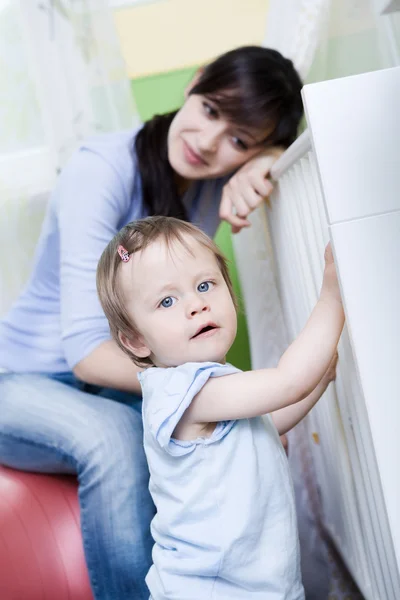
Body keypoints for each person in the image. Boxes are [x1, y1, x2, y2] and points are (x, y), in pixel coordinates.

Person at [0, 46, 303, 599]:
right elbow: (88, 352)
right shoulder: (101, 169)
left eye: (239, 140)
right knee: (117, 438)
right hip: (21, 382)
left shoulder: (211, 184)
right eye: (211, 110)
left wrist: (269, 158)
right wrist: (207, 393)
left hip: (105, 384)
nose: (210, 142)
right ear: (192, 84)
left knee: (242, 430)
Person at [96, 216, 344, 600]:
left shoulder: (214, 383)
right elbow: (286, 381)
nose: (196, 304)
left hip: (255, 583)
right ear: (136, 340)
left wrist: (316, 384)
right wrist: (333, 291)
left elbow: (266, 422)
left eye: (205, 285)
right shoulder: (181, 391)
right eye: (166, 300)